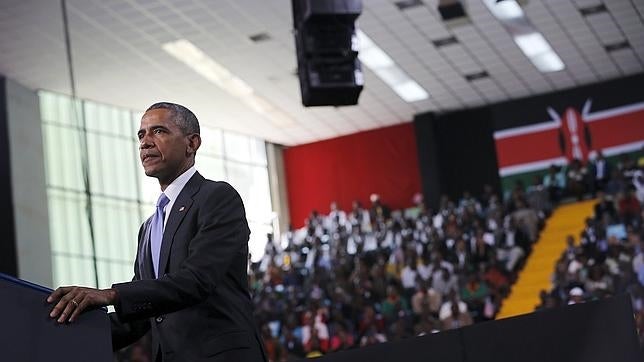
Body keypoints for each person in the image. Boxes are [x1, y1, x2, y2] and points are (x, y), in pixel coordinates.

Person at [46, 102, 267, 361]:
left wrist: (109, 294)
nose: (145, 142)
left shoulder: (217, 197)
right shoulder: (149, 227)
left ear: (191, 143)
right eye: (141, 134)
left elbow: (196, 280)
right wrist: (62, 331)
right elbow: (139, 318)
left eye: (158, 131)